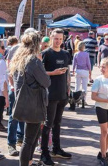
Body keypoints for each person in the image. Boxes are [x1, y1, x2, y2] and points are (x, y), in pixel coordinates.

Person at [11, 31, 51, 166]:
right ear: (36, 44)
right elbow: (46, 82)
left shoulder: (19, 58)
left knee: (32, 137)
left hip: (23, 100)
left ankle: (28, 162)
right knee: (29, 140)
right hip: (34, 103)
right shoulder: (33, 61)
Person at [40, 28, 72, 165]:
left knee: (58, 123)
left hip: (62, 93)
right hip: (50, 94)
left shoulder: (65, 54)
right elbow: (40, 74)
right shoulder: (45, 54)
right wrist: (53, 73)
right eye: (55, 38)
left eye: (60, 38)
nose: (58, 41)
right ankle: (44, 152)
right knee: (48, 124)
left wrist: (69, 86)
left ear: (63, 39)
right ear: (50, 38)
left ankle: (56, 148)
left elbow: (68, 72)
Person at [91, 57, 108, 166]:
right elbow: (93, 96)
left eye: (104, 67)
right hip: (101, 107)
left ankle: (103, 152)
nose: (101, 68)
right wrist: (105, 100)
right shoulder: (98, 80)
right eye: (101, 66)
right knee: (104, 132)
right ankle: (103, 156)